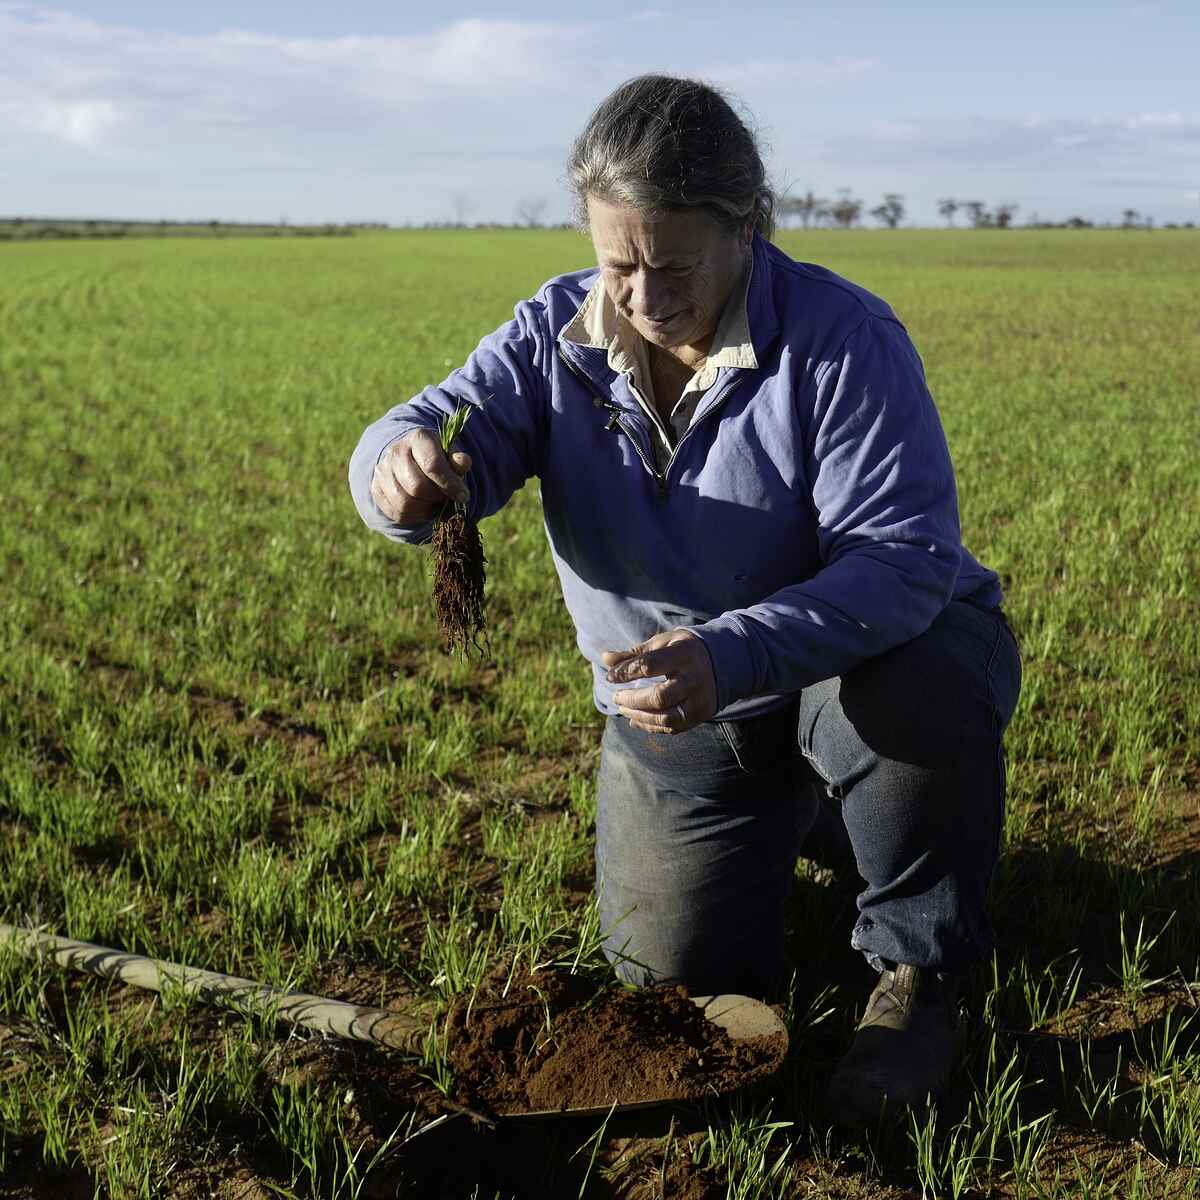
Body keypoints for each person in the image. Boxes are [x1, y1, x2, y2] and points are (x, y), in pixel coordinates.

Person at [348, 75, 1021, 1125]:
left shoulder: (842, 341)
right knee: (663, 982)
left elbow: (901, 560)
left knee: (914, 689)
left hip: (852, 671)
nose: (645, 297)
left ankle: (919, 971)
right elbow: (434, 421)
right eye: (620, 263)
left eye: (675, 265)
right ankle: (815, 821)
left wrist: (733, 653)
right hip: (677, 717)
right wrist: (398, 466)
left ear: (745, 227)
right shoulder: (552, 338)